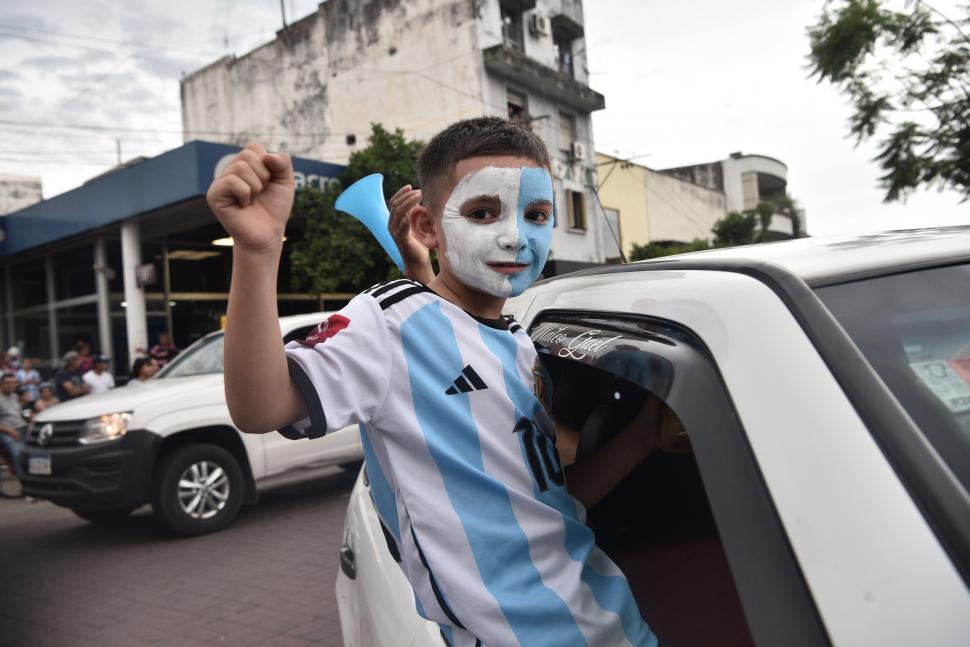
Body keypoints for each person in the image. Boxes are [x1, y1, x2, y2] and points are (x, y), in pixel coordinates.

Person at [207, 118, 679, 646]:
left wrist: (641, 438)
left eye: (537, 214)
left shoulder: (521, 343)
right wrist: (257, 251)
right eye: (483, 212)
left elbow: (548, 508)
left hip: (618, 625)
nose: (514, 235)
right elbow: (261, 407)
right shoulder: (390, 320)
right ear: (429, 226)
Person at [0, 373, 27, 488]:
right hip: (7, 431)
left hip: (23, 427)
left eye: (13, 383)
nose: (12, 386)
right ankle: (27, 487)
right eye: (8, 383)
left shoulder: (15, 396)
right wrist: (11, 432)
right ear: (1, 384)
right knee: (18, 453)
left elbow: (17, 414)